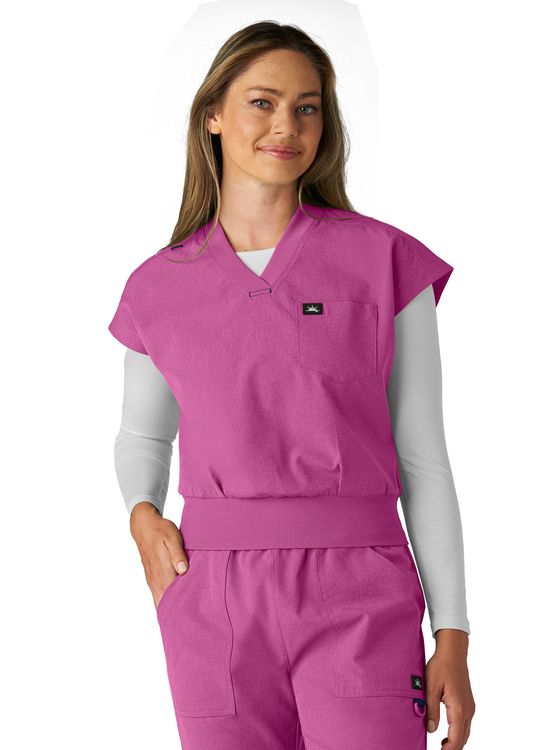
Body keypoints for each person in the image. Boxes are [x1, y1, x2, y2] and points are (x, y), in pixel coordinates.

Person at [108, 21, 476, 750]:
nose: (287, 125)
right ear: (213, 116)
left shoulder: (384, 262)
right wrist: (141, 514)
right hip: (211, 597)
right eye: (263, 102)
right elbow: (143, 434)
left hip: (360, 590)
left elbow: (423, 457)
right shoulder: (157, 287)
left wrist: (452, 632)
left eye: (307, 107)